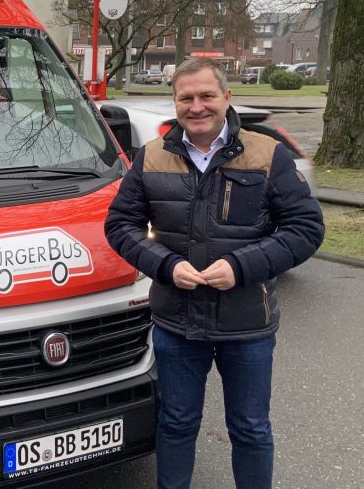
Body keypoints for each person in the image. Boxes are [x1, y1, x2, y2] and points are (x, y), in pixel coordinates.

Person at [104, 58, 324, 489]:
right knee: (177, 424)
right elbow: (119, 226)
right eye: (186, 97)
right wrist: (165, 265)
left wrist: (242, 266)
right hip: (176, 323)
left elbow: (306, 229)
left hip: (248, 325)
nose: (197, 106)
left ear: (227, 97)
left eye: (207, 95)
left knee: (250, 428)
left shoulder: (268, 155)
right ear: (175, 102)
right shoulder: (150, 157)